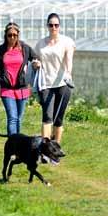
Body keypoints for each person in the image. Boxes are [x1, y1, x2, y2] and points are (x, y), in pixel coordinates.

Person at [32, 13, 76, 144]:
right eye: (51, 25)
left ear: (59, 26)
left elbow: (69, 59)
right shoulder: (40, 44)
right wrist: (36, 64)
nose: (53, 27)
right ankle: (45, 149)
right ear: (47, 26)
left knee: (59, 119)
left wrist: (68, 73)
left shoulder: (67, 41)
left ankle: (56, 147)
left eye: (56, 25)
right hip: (46, 84)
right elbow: (35, 59)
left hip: (63, 83)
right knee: (47, 117)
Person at [0, 22, 39, 136]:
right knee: (12, 118)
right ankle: (12, 146)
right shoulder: (1, 50)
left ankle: (18, 147)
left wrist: (35, 63)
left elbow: (35, 58)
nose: (12, 37)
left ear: (18, 35)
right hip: (7, 89)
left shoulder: (25, 48)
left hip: (22, 89)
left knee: (18, 118)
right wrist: (0, 76)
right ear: (5, 36)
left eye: (14, 35)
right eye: (9, 35)